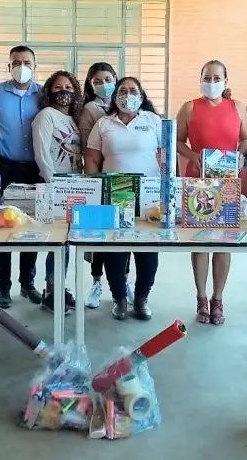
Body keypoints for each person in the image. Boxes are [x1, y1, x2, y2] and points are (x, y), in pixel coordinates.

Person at [176, 60, 247, 325]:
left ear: (226, 81)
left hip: (228, 182)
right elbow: (176, 140)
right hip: (198, 182)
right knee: (200, 242)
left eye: (216, 77)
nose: (211, 82)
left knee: (223, 243)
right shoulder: (189, 108)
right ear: (200, 80)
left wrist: (240, 156)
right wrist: (193, 156)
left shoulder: (238, 108)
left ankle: (218, 299)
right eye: (206, 77)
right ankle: (201, 298)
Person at [84, 77, 161, 321]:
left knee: (147, 250)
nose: (128, 95)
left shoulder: (153, 121)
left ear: (141, 95)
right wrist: (96, 190)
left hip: (148, 197)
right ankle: (119, 299)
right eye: (123, 90)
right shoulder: (103, 123)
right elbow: (93, 160)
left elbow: (165, 156)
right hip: (114, 194)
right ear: (116, 95)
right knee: (115, 250)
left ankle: (142, 298)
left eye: (133, 90)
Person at [0, 46, 44, 309]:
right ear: (9, 67)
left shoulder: (44, 94)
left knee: (30, 227)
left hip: (35, 169)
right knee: (4, 226)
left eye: (27, 62)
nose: (22, 66)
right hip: (5, 167)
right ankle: (3, 286)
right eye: (16, 62)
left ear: (34, 65)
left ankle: (27, 283)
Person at [77, 62, 132, 310]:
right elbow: (89, 150)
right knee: (101, 237)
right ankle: (97, 282)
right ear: (90, 85)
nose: (103, 84)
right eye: (97, 81)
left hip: (126, 184)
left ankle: (123, 282)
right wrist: (95, 183)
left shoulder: (129, 103)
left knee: (126, 235)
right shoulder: (90, 109)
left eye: (108, 79)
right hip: (100, 180)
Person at [32, 70, 83, 314]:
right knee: (56, 241)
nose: (64, 92)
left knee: (67, 242)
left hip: (73, 185)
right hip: (53, 186)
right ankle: (51, 291)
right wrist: (54, 185)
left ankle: (59, 287)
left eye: (69, 87)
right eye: (58, 87)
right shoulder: (45, 116)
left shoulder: (73, 119)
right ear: (49, 91)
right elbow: (42, 154)